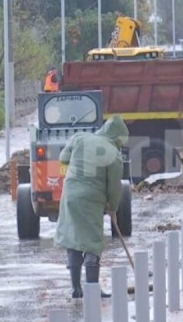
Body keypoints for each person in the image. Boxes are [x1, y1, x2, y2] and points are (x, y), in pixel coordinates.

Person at [54, 114, 129, 299]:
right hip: (91, 199)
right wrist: (113, 208)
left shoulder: (80, 137)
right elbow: (114, 186)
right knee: (92, 242)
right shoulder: (114, 155)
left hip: (70, 194)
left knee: (73, 238)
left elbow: (63, 158)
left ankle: (76, 289)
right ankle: (92, 289)